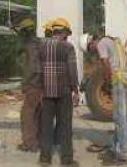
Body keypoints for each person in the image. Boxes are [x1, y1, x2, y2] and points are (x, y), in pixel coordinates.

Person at [83, 33, 127, 165]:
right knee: (118, 117)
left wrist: (106, 82)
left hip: (119, 80)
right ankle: (115, 148)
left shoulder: (101, 44)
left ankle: (121, 153)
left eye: (90, 48)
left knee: (120, 118)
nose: (93, 51)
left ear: (90, 42)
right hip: (125, 78)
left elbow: (106, 64)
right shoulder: (111, 40)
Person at [36, 18, 79, 167]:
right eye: (67, 33)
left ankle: (45, 158)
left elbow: (38, 71)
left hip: (46, 93)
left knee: (46, 126)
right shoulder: (68, 47)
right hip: (64, 93)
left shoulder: (41, 47)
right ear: (64, 32)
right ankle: (66, 160)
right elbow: (72, 71)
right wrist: (76, 90)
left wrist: (40, 90)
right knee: (65, 126)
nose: (68, 36)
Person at [15, 18, 42, 153]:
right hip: (42, 83)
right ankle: (37, 141)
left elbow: (31, 66)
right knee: (37, 113)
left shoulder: (30, 46)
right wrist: (13, 28)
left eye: (22, 32)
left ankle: (29, 144)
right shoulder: (39, 42)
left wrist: (25, 83)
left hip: (33, 83)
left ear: (26, 32)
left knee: (26, 113)